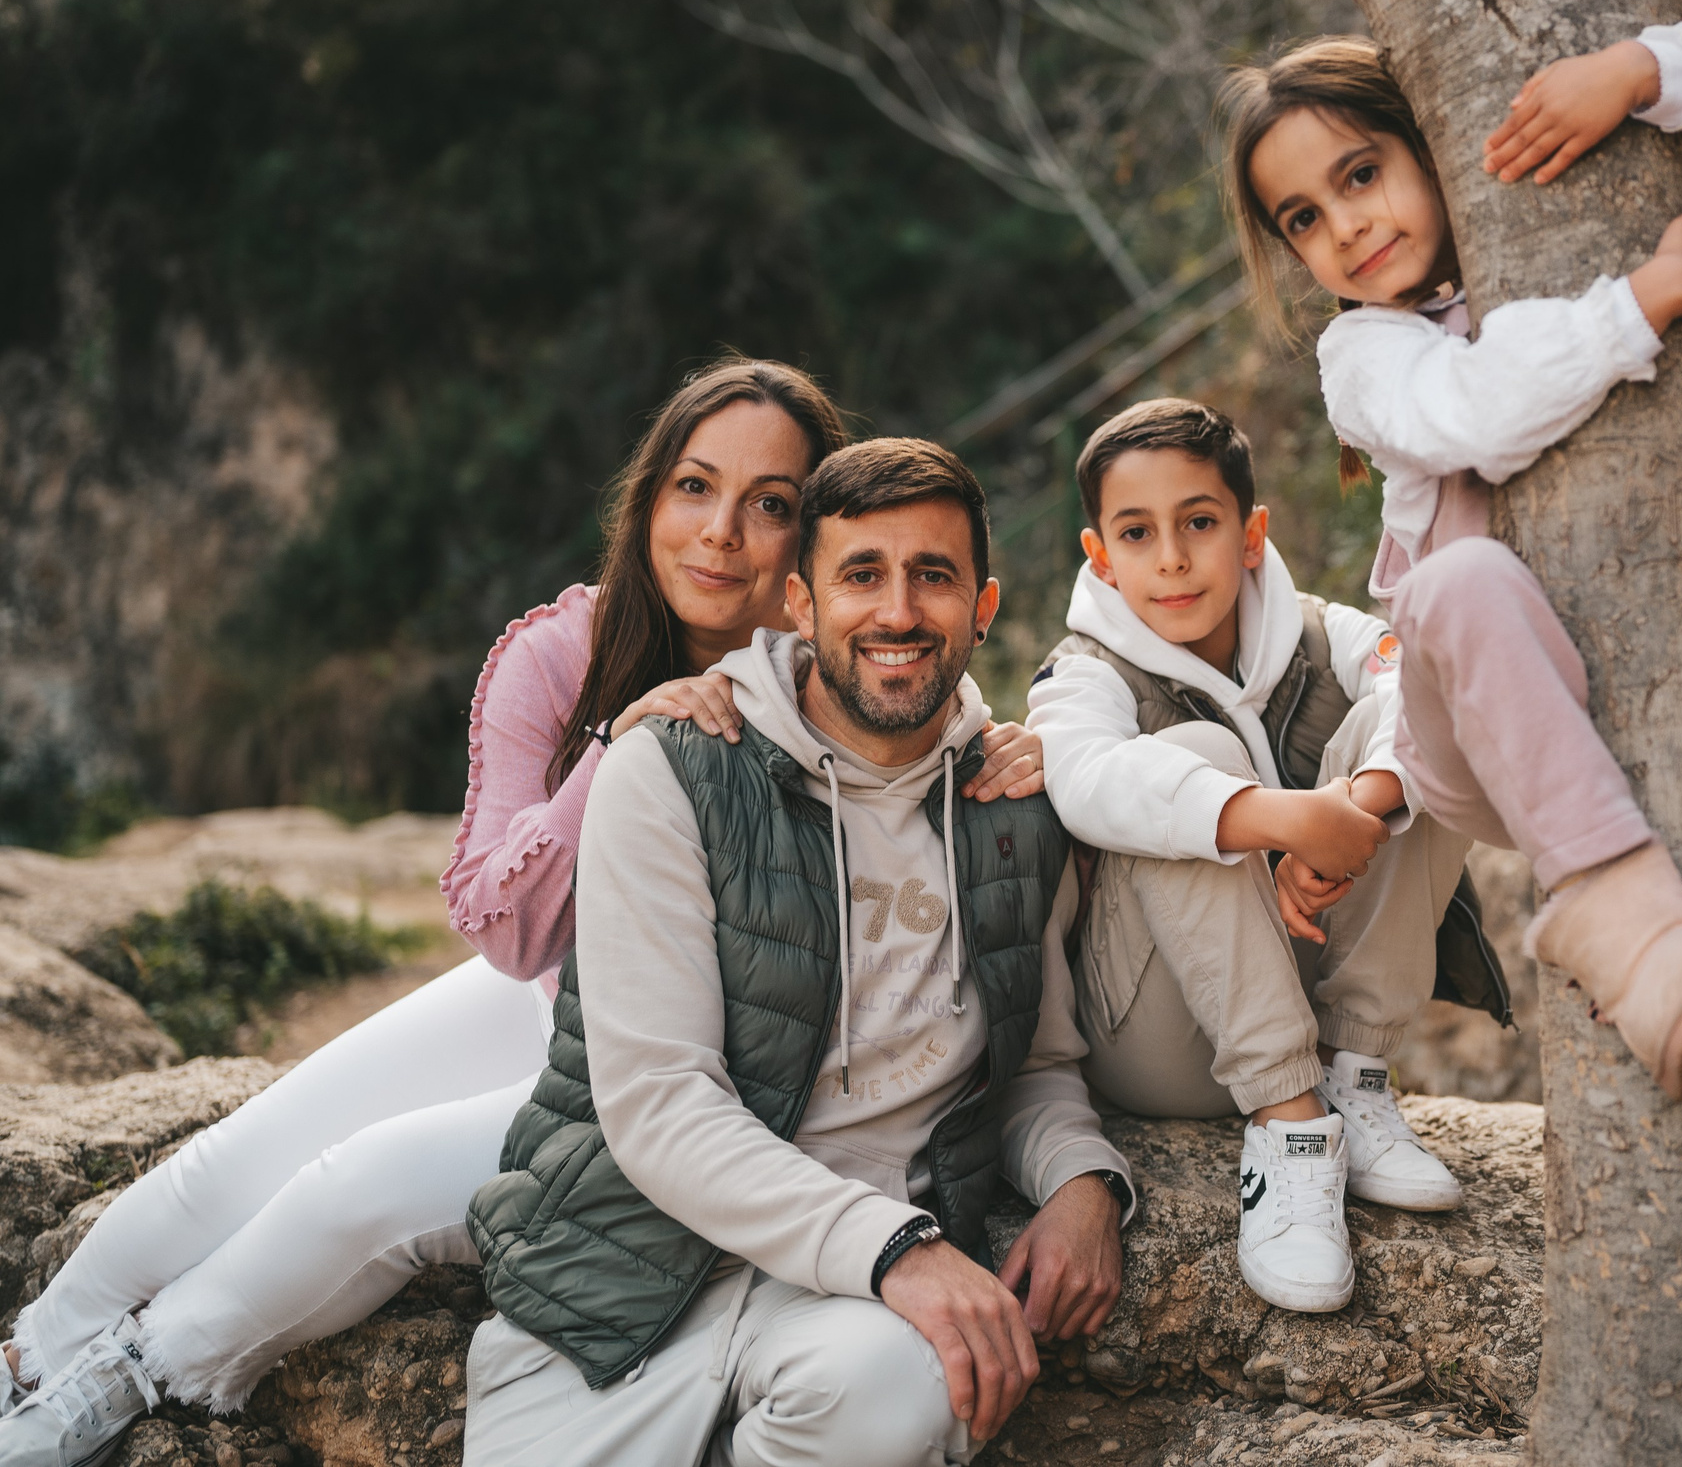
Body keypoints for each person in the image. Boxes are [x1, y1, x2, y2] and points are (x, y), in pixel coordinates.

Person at [0, 364, 1044, 1467]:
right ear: (647, 500)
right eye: (693, 487)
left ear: (813, 543)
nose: (723, 533)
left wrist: (1008, 744)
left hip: (666, 1058)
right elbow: (508, 932)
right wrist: (626, 741)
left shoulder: (840, 676)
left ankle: (140, 1371)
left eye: (771, 504)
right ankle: (31, 1356)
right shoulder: (560, 651)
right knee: (239, 1159)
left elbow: (923, 713)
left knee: (362, 1187)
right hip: (547, 991)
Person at [1216, 26, 1682, 1101]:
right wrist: (1646, 299)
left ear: (1436, 145)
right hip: (1485, 721)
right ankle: (1627, 925)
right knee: (1456, 583)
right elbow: (1478, 416)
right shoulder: (1362, 351)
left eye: (1362, 172)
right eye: (1305, 218)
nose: (1348, 226)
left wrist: (1640, 73)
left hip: (1667, 616)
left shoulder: (1572, 218)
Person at [460, 438, 1130, 1467]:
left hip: (841, 1299)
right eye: (861, 574)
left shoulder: (1013, 809)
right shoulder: (674, 771)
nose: (899, 611)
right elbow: (659, 1098)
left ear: (983, 606)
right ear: (800, 604)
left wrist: (1083, 1179)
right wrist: (901, 1248)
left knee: (905, 1390)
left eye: (933, 576)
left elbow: (1033, 1064)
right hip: (632, 1269)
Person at [1025, 398, 1475, 1315]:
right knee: (1190, 768)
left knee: (1444, 702)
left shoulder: (1318, 630)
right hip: (1159, 1038)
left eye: (1199, 522)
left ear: (1252, 532)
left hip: (1309, 989)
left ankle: (1353, 1078)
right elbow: (1085, 779)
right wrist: (1271, 818)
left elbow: (1423, 685)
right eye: (1138, 533)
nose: (1174, 558)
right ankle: (1289, 1128)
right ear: (1100, 555)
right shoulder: (1084, 672)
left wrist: (1351, 812)